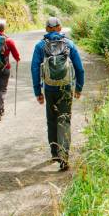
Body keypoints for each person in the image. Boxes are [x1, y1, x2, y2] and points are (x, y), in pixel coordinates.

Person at [31, 16, 85, 169]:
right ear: (60, 28)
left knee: (52, 119)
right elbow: (79, 68)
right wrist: (78, 87)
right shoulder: (69, 44)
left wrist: (38, 91)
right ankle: (64, 156)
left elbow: (35, 69)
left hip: (49, 88)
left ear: (47, 29)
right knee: (64, 120)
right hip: (66, 87)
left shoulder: (40, 46)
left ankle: (54, 152)